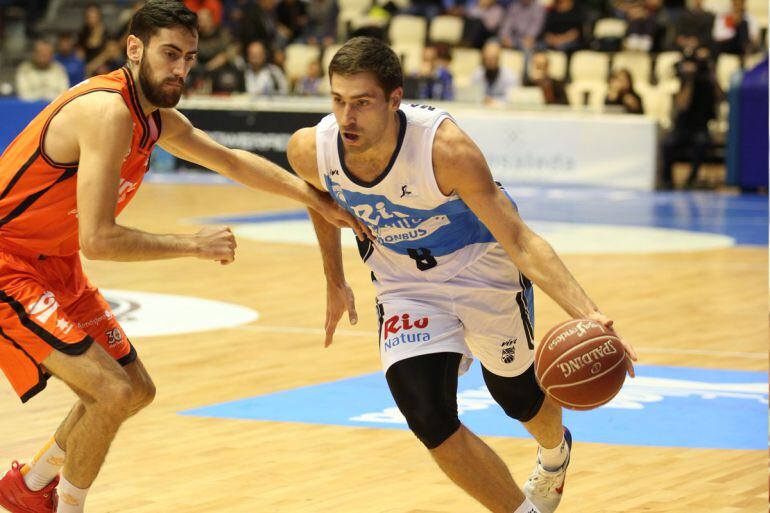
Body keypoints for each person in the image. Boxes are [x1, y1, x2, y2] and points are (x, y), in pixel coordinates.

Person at [0, 3, 367, 513]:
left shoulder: (155, 119)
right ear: (135, 48)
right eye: (170, 54)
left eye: (189, 58)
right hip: (8, 261)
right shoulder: (107, 111)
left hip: (55, 262)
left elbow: (231, 160)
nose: (181, 69)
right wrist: (193, 244)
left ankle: (31, 484)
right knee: (109, 392)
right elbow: (100, 239)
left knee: (135, 388)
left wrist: (315, 198)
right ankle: (65, 504)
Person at [287, 36, 637, 513]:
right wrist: (334, 276)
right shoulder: (311, 149)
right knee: (428, 415)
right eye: (338, 101)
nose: (347, 117)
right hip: (403, 283)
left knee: (515, 394)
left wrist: (590, 313)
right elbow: (319, 200)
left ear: (394, 99)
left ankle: (555, 455)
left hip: (482, 268)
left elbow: (521, 240)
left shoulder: (445, 150)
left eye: (362, 103)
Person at [660, 45, 722, 189]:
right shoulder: (682, 82)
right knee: (668, 143)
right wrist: (689, 81)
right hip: (682, 127)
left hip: (700, 126)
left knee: (702, 142)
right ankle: (667, 179)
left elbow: (721, 98)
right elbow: (682, 106)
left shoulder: (708, 82)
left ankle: (692, 178)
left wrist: (711, 72)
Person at [471, 40, 518, 105]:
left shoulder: (509, 76)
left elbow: (513, 99)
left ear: (499, 58)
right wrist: (483, 100)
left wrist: (495, 102)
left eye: (493, 58)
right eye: (487, 59)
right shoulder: (477, 74)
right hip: (480, 111)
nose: (490, 62)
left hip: (503, 112)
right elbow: (472, 96)